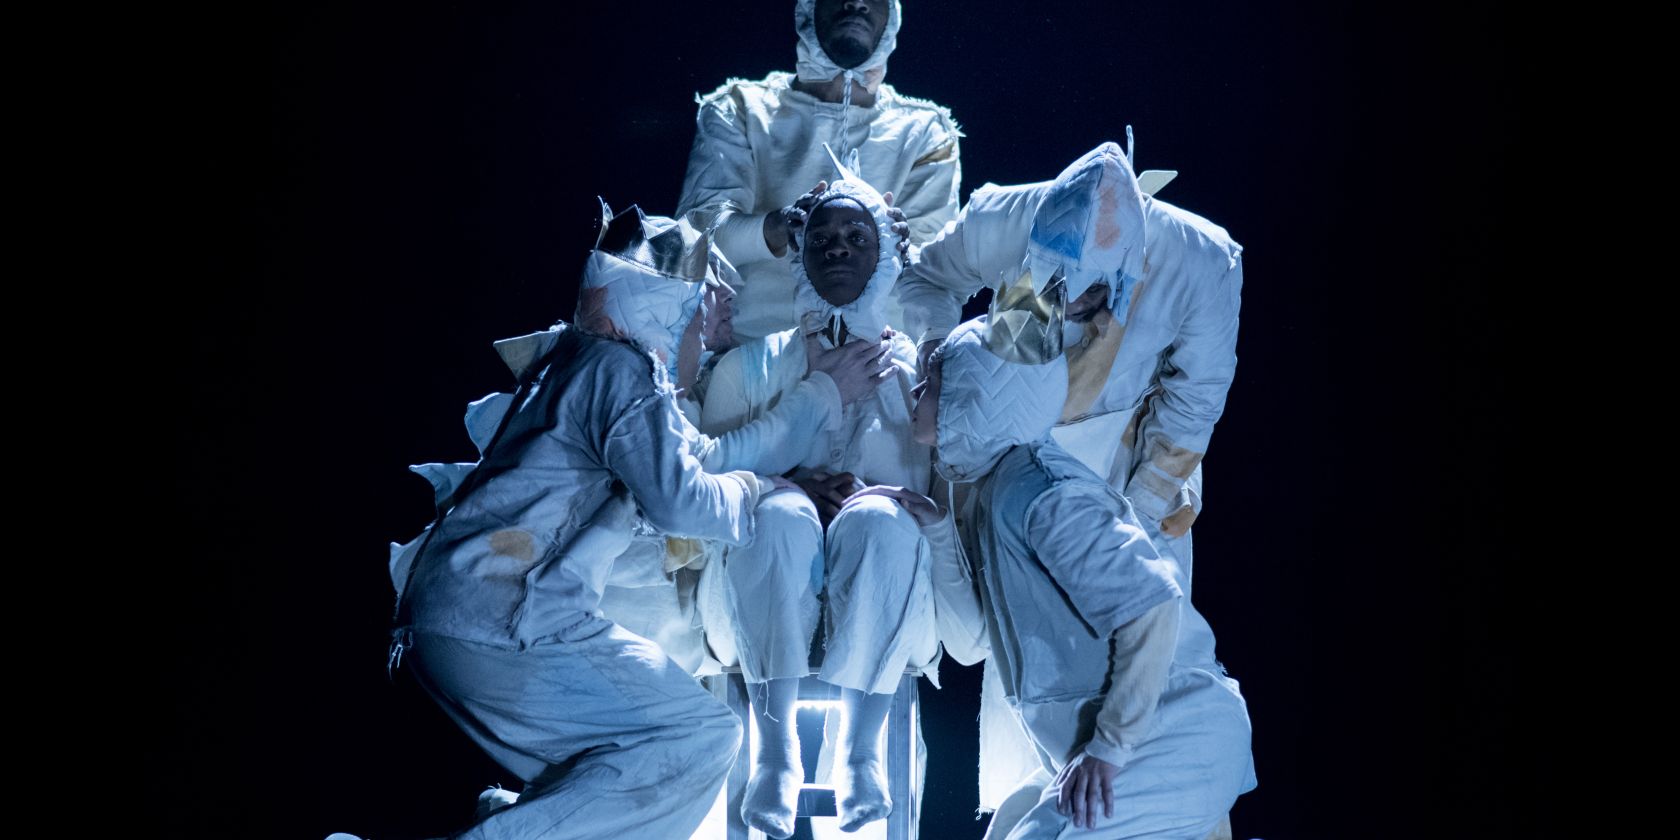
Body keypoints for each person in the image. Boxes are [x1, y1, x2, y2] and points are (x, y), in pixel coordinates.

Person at [378, 206, 863, 840]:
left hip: (450, 624)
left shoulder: (580, 364)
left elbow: (690, 462)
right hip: (504, 622)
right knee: (701, 734)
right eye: (698, 312)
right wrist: (759, 493)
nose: (708, 332)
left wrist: (774, 477)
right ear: (662, 306)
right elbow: (681, 496)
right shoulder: (618, 369)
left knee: (612, 774)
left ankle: (501, 817)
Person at [897, 142, 1247, 824]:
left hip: (1119, 469)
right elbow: (923, 281)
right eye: (1051, 282)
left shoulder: (1202, 259)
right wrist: (945, 374)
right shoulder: (1002, 220)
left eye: (1087, 289)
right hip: (1001, 439)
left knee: (1143, 648)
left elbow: (1191, 406)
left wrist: (1128, 521)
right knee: (1029, 664)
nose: (1068, 300)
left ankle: (1149, 792)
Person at [913, 317, 1255, 839]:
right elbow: (973, 643)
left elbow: (1154, 606)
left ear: (974, 394)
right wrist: (936, 528)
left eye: (936, 380)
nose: (918, 391)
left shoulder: (1043, 491)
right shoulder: (1001, 488)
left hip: (1173, 733)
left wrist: (1109, 749)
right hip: (1116, 742)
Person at [691, 172, 946, 837]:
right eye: (823, 236)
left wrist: (869, 496)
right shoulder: (746, 369)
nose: (838, 247)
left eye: (856, 235)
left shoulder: (921, 374)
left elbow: (939, 495)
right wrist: (793, 483)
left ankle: (862, 756)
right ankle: (776, 756)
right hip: (760, 580)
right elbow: (705, 485)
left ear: (884, 252)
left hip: (886, 584)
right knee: (776, 513)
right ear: (798, 253)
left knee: (881, 520)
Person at [677, 0, 962, 343]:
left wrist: (896, 243)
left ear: (892, 14)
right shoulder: (740, 108)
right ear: (808, 7)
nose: (856, 2)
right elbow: (695, 237)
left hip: (880, 366)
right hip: (749, 364)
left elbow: (938, 273)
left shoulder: (925, 131)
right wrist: (778, 226)